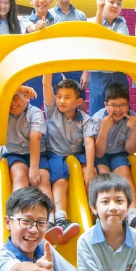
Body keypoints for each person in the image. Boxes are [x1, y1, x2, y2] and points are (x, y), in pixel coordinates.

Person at [92, 82, 136, 233]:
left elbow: (130, 149)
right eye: (113, 105)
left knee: (125, 175)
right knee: (105, 177)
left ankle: (132, 214)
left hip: (119, 153)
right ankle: (103, 214)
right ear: (106, 105)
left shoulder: (132, 118)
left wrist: (134, 130)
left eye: (123, 105)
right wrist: (104, 130)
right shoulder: (98, 119)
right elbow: (98, 153)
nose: (118, 109)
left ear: (128, 105)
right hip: (99, 155)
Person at [42, 73, 97, 243]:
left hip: (77, 155)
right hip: (56, 154)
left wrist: (88, 168)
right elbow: (46, 83)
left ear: (78, 102)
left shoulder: (85, 120)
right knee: (60, 181)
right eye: (59, 97)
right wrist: (49, 68)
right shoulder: (52, 112)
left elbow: (89, 144)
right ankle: (60, 218)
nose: (61, 101)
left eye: (67, 97)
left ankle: (95, 214)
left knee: (92, 175)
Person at [2, 85, 61, 242]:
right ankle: (18, 217)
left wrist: (34, 167)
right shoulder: (1, 112)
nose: (12, 103)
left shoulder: (34, 113)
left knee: (43, 179)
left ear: (26, 98)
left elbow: (35, 138)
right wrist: (20, 86)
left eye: (17, 97)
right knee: (20, 176)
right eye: (9, 98)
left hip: (37, 153)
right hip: (15, 154)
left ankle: (49, 220)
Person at [88, 0, 131, 115]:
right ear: (102, 2)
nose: (115, 5)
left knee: (121, 112)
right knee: (97, 112)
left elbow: (119, 43)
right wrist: (99, 12)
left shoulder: (121, 21)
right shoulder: (91, 21)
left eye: (119, 3)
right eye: (111, 1)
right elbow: (97, 36)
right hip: (99, 75)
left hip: (118, 74)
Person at [48, 0, 90, 92]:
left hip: (77, 68)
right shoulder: (49, 15)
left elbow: (86, 44)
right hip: (56, 69)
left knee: (79, 104)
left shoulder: (81, 16)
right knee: (56, 105)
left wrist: (86, 71)